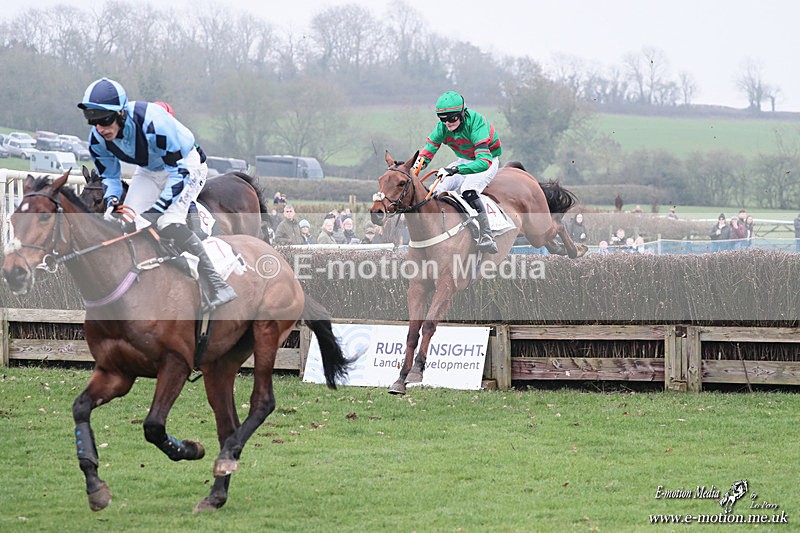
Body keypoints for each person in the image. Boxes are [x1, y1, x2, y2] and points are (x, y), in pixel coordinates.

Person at [78, 77, 235, 313]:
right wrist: (112, 203)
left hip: (186, 165)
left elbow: (179, 173)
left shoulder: (153, 124)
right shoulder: (97, 139)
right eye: (92, 120)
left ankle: (217, 284)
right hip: (150, 170)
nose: (99, 128)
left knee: (167, 221)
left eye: (105, 119)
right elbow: (109, 177)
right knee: (124, 221)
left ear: (121, 113)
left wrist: (154, 212)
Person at [413, 91, 502, 254]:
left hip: (487, 160)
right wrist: (416, 168)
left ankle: (486, 235)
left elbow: (483, 162)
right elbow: (429, 149)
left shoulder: (477, 123)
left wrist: (455, 169)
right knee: (435, 189)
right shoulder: (442, 127)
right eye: (443, 119)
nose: (447, 123)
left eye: (452, 118)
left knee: (468, 190)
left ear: (462, 113)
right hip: (464, 160)